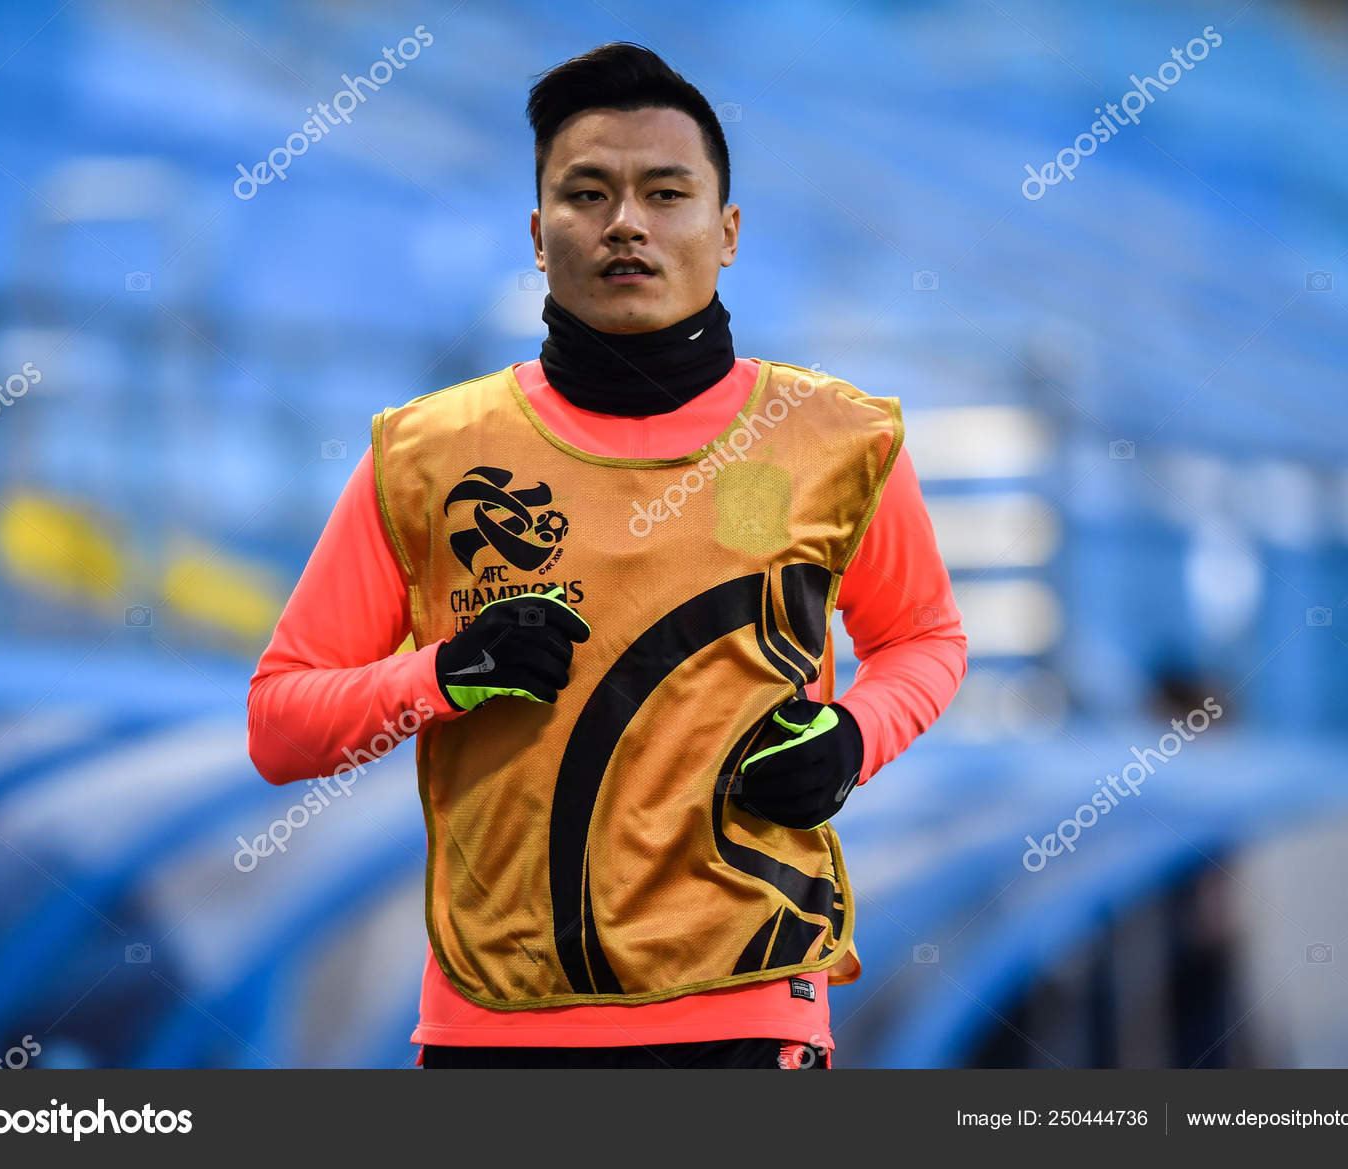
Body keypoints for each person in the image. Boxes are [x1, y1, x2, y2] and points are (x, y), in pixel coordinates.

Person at [247, 42, 967, 1070]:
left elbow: (926, 637)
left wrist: (854, 737)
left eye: (663, 192)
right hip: (494, 1023)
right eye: (587, 194)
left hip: (750, 1010)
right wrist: (445, 675)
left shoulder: (837, 439)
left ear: (726, 233)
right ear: (540, 237)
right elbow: (280, 727)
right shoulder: (425, 453)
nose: (625, 221)